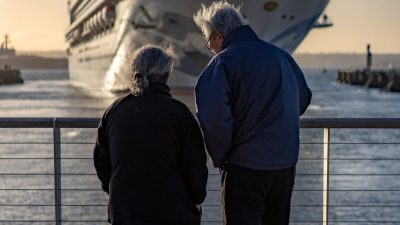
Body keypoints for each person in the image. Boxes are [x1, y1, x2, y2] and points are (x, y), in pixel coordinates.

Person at [193, 2, 312, 225]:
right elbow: (303, 98)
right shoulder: (281, 55)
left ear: (219, 36)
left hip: (245, 168)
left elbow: (213, 120)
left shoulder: (222, 63)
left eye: (209, 42)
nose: (211, 48)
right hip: (285, 167)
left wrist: (221, 157)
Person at [93, 44, 208, 225]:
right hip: (173, 213)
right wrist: (196, 199)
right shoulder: (180, 113)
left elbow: (101, 162)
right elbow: (196, 168)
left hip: (125, 213)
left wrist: (117, 192)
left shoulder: (114, 112)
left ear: (133, 73)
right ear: (166, 75)